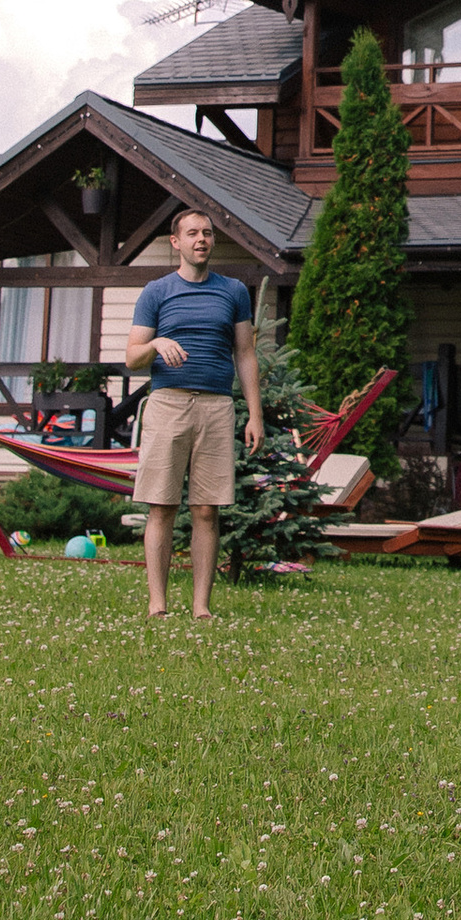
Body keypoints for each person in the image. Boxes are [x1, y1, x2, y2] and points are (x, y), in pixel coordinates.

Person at [124, 207, 263, 623]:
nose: (200, 239)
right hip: (168, 404)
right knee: (162, 505)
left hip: (217, 408)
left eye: (206, 233)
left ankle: (201, 606)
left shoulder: (234, 291)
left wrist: (254, 414)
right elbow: (132, 358)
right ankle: (157, 604)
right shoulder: (156, 292)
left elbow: (245, 354)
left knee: (207, 509)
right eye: (191, 233)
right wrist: (156, 345)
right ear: (176, 242)